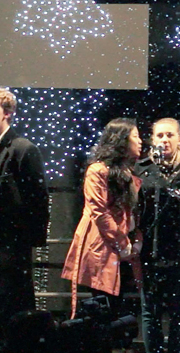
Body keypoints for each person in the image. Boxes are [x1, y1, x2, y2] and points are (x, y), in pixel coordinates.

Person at [0, 87, 50, 353]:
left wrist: (28, 241)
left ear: (8, 113)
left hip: (11, 249)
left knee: (13, 316)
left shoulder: (23, 149)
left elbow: (38, 198)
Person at [61, 118, 144, 320]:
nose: (141, 141)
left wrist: (134, 240)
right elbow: (99, 212)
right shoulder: (98, 170)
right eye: (135, 136)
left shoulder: (132, 173)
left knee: (120, 308)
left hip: (124, 248)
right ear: (122, 141)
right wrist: (122, 242)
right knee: (103, 307)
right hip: (102, 246)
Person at [135, 117, 180, 353]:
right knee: (150, 313)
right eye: (160, 135)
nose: (164, 140)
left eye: (170, 135)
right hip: (149, 251)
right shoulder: (142, 169)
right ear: (152, 139)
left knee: (179, 313)